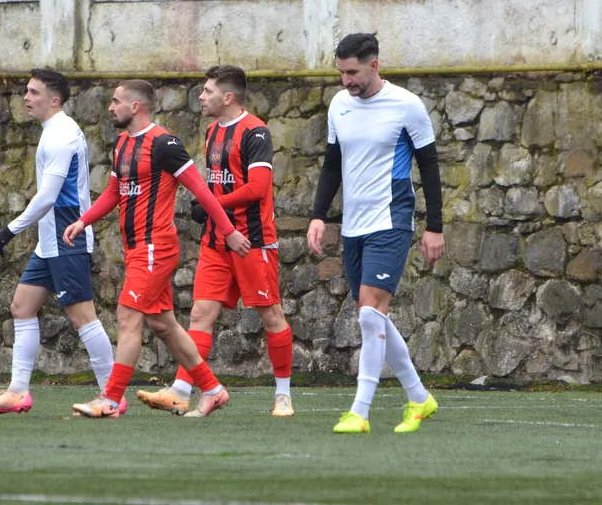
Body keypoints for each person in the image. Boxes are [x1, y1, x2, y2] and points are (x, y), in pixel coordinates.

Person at [63, 80, 252, 418]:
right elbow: (114, 192)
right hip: (136, 249)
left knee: (127, 317)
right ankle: (212, 389)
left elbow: (203, 191)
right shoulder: (122, 143)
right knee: (164, 326)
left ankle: (110, 400)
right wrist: (83, 221)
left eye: (116, 101)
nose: (110, 107)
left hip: (155, 248)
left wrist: (229, 231)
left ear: (136, 106)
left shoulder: (164, 144)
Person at [307, 33, 445, 435]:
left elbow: (430, 166)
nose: (346, 80)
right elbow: (332, 164)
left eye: (353, 72)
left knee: (369, 313)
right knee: (373, 317)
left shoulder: (406, 105)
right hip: (354, 225)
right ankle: (419, 397)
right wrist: (318, 216)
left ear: (374, 65)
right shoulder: (339, 104)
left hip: (392, 218)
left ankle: (360, 412)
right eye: (341, 72)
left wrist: (435, 226)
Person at [135, 65, 294, 417]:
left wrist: (212, 205)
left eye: (208, 91)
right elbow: (217, 183)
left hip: (251, 241)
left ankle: (283, 396)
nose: (201, 96)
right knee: (200, 315)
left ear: (228, 97)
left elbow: (258, 188)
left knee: (271, 315)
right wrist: (213, 209)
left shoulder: (256, 132)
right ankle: (181, 391)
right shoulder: (211, 132)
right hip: (216, 240)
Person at [0, 68, 122, 416]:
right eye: (27, 91)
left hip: (66, 236)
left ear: (54, 100)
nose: (26, 97)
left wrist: (9, 230)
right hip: (50, 240)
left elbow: (47, 197)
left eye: (34, 92)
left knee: (83, 316)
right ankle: (17, 392)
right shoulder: (54, 131)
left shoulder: (61, 136)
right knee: (22, 306)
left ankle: (111, 396)